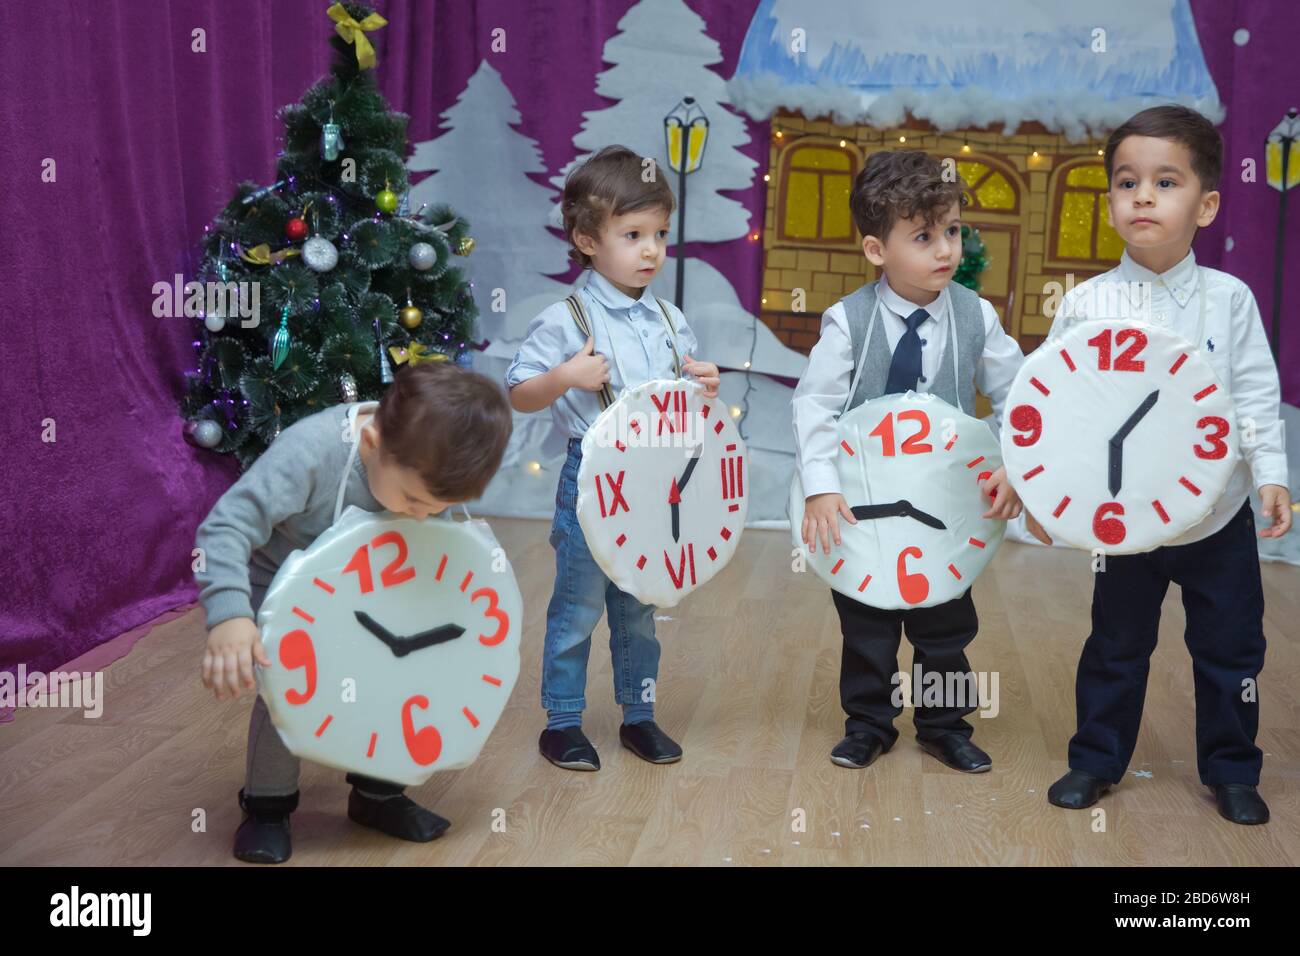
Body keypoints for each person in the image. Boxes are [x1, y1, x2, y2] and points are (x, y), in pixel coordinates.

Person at [1038, 105, 1291, 825]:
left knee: (1232, 651)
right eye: (1126, 181)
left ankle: (1233, 769)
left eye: (1165, 181)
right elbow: (1058, 408)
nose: (1142, 196)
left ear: (1206, 203)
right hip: (1127, 521)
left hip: (1218, 518)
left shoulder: (1230, 301)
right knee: (1115, 645)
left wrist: (1271, 473)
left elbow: (1253, 395)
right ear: (1111, 198)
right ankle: (1094, 759)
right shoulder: (1087, 304)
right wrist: (1044, 493)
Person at [195, 362, 513, 862]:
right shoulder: (312, 453)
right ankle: (268, 807)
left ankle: (378, 795)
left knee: (398, 677)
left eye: (438, 507)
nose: (424, 515)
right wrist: (231, 615)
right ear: (370, 445)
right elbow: (226, 527)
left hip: (382, 585)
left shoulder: (426, 483)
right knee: (289, 687)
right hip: (283, 586)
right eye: (413, 500)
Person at [792, 149, 1028, 773]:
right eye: (924, 237)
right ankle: (868, 724)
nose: (945, 250)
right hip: (863, 505)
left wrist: (1015, 465)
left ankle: (944, 725)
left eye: (952, 231)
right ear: (877, 250)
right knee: (866, 625)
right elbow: (814, 405)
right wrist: (819, 487)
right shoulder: (848, 322)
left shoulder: (977, 317)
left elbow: (1021, 399)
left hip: (944, 509)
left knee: (944, 622)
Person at [506, 145, 721, 772]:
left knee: (640, 608)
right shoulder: (565, 319)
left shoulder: (670, 319)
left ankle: (639, 715)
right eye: (633, 235)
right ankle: (564, 722)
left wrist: (701, 385)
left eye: (659, 234)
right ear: (586, 239)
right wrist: (566, 375)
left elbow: (679, 406)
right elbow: (519, 394)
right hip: (590, 479)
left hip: (655, 481)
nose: (651, 250)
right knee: (578, 605)